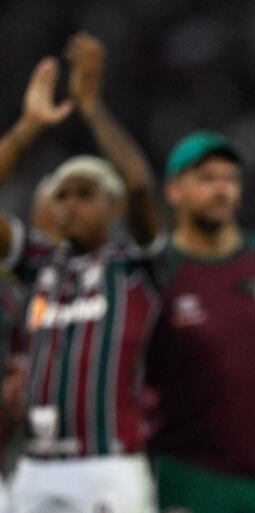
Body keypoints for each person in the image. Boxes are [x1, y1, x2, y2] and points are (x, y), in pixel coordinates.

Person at [0, 32, 162, 513]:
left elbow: (136, 184)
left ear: (112, 206)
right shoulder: (40, 264)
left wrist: (91, 107)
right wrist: (28, 127)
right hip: (35, 463)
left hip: (107, 465)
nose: (70, 205)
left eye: (85, 194)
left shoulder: (134, 267)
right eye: (62, 196)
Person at [144, 131, 255, 513]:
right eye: (206, 178)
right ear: (174, 190)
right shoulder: (156, 273)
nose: (221, 189)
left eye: (230, 179)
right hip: (190, 476)